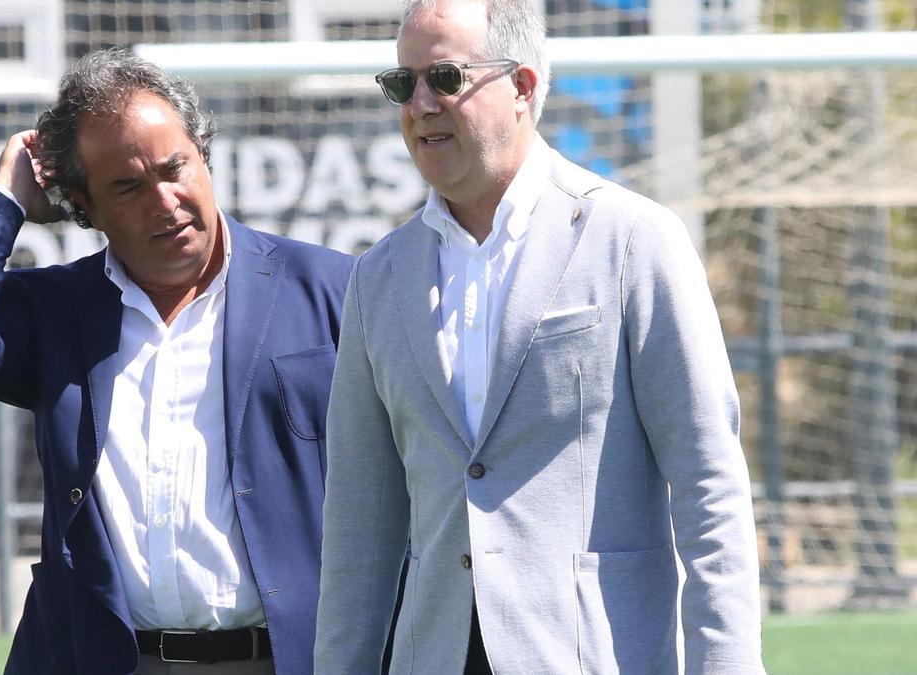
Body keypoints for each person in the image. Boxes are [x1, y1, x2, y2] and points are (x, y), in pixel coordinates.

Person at [314, 1, 764, 673]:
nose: (421, 103)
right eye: (403, 84)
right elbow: (358, 528)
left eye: (444, 76)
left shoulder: (634, 239)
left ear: (523, 87)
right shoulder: (377, 276)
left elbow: (709, 487)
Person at [0, 48, 353, 674]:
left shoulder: (333, 289)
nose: (165, 201)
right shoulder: (58, 313)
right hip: (103, 658)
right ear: (84, 205)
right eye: (129, 187)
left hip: (289, 659)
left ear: (204, 155)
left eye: (176, 169)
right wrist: (4, 199)